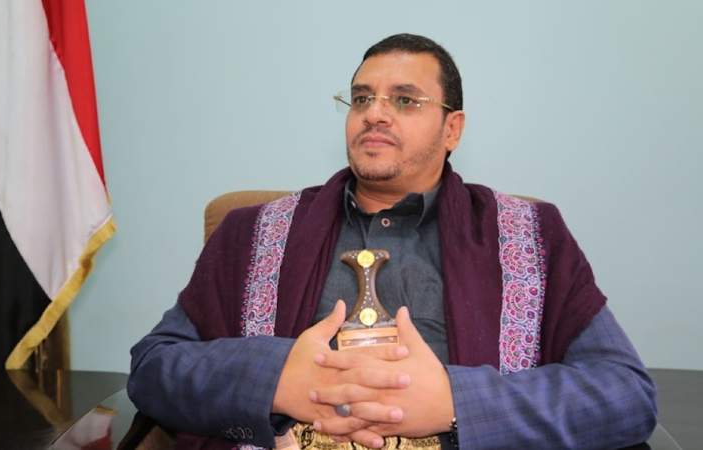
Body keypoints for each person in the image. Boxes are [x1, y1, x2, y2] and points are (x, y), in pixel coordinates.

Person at [128, 34, 657, 450]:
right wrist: (276, 380)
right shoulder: (251, 232)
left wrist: (457, 403)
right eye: (362, 98)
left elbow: (625, 394)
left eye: (404, 100)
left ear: (452, 129)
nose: (374, 113)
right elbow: (153, 368)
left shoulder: (531, 237)